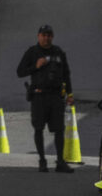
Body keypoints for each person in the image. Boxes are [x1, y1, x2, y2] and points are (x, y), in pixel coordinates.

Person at [14, 25, 74, 171]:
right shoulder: (32, 52)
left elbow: (66, 74)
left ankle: (60, 162)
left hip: (56, 96)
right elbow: (20, 72)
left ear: (52, 37)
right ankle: (42, 161)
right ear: (38, 36)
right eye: (43, 35)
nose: (46, 38)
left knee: (59, 129)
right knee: (39, 128)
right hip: (39, 97)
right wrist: (36, 66)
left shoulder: (58, 52)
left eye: (49, 35)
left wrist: (70, 94)